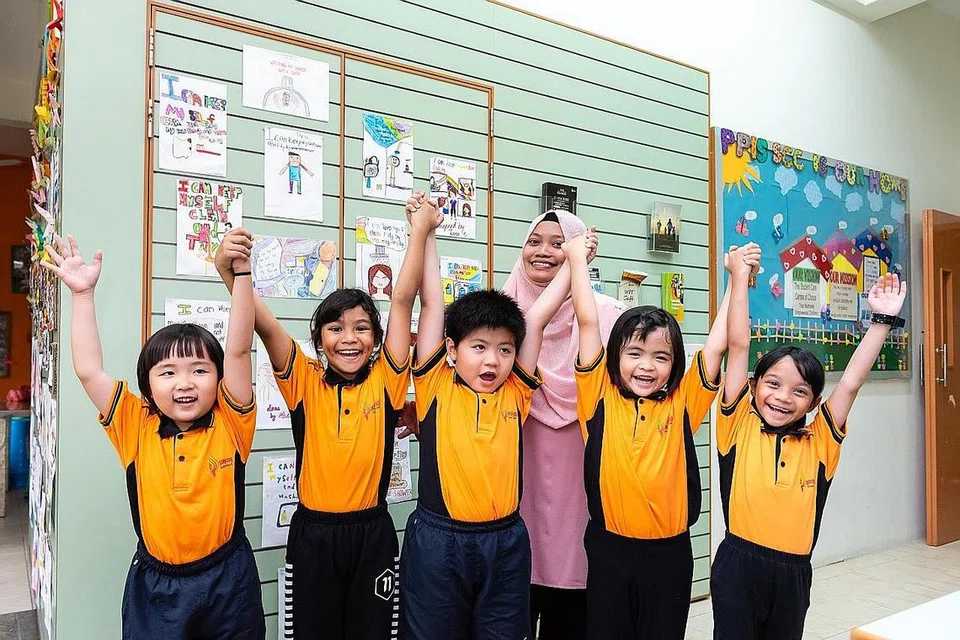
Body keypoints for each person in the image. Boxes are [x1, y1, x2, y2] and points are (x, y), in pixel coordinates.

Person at [214, 218, 428, 638]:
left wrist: (419, 232)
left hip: (374, 536)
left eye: (362, 328)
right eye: (335, 328)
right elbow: (263, 324)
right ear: (318, 337)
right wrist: (229, 270)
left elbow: (402, 301)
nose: (349, 339)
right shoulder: (304, 379)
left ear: (377, 340)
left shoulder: (387, 379)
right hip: (312, 536)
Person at [45, 234, 264, 639]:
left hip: (228, 578)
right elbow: (90, 371)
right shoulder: (134, 422)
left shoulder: (232, 422)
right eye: (168, 372)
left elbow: (237, 350)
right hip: (157, 585)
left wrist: (243, 274)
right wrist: (82, 296)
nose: (185, 383)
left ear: (218, 380)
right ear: (147, 385)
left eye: (200, 370)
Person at [400, 192, 575, 640]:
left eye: (504, 350)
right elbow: (432, 305)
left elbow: (533, 320)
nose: (492, 361)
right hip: (439, 542)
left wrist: (574, 262)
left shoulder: (516, 391)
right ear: (453, 350)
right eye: (478, 348)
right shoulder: (437, 385)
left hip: (505, 542)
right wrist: (428, 233)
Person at [565, 233, 750, 640]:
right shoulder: (598, 395)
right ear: (615, 357)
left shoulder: (683, 403)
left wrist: (737, 278)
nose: (647, 366)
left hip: (669, 554)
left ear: (675, 364)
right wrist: (577, 258)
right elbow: (588, 320)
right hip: (609, 549)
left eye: (661, 357)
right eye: (635, 353)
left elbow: (718, 346)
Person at [712, 257, 907, 640]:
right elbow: (738, 347)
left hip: (793, 573)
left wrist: (881, 322)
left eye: (799, 391)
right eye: (773, 384)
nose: (783, 398)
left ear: (814, 403)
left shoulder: (821, 441)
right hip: (738, 566)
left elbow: (850, 383)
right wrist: (738, 279)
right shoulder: (737, 425)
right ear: (753, 388)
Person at [502, 210, 624, 639]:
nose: (544, 251)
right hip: (518, 480)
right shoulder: (500, 313)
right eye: (535, 240)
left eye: (559, 243)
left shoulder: (608, 316)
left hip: (582, 477)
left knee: (572, 612)